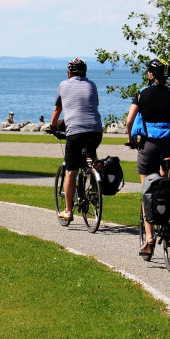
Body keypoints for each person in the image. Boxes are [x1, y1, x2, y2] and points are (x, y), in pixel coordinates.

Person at [126, 59, 170, 258]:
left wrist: (131, 140)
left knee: (148, 189)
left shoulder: (141, 94)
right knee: (168, 181)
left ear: (150, 74)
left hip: (148, 146)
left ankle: (149, 239)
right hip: (169, 145)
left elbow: (130, 120)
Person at [49, 58, 103, 224]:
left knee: (71, 170)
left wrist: (52, 127)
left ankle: (68, 210)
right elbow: (94, 104)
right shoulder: (92, 85)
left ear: (69, 72)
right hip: (95, 131)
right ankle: (95, 183)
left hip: (76, 133)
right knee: (90, 156)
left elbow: (58, 109)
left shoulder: (64, 85)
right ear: (85, 72)